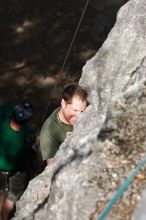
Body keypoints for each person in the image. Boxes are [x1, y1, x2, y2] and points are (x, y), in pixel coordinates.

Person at [0, 101, 36, 220]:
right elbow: (15, 164)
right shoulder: (20, 141)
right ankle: (5, 217)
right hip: (13, 167)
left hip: (5, 164)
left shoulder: (5, 110)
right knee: (12, 195)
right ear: (28, 120)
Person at [40, 84, 88, 165]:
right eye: (75, 110)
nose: (79, 116)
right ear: (63, 103)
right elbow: (52, 167)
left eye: (82, 111)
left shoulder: (76, 113)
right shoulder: (49, 132)